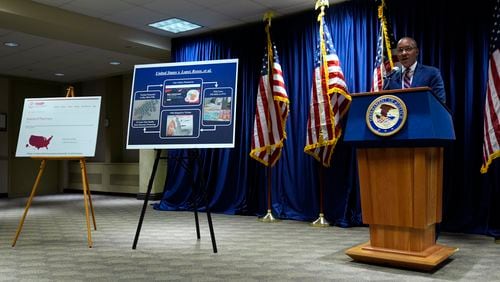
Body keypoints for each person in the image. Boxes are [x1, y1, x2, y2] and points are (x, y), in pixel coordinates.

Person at [383, 37, 446, 104]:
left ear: (417, 52)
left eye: (408, 49)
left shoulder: (432, 73)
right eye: (400, 50)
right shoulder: (391, 77)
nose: (404, 53)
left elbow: (440, 102)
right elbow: (385, 102)